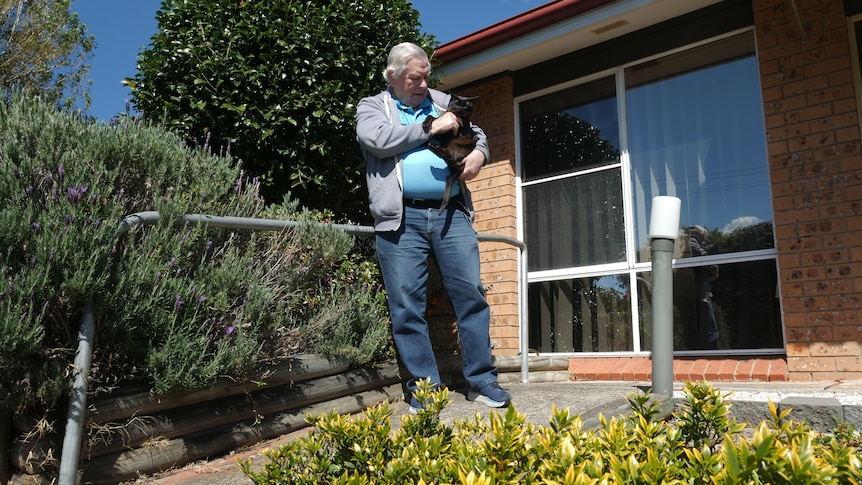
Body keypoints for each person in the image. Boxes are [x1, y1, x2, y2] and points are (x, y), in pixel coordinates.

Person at [356, 42, 511, 411]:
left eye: (426, 77)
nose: (423, 85)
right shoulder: (374, 107)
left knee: (471, 295)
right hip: (400, 219)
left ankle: (482, 380)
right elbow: (376, 141)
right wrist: (430, 128)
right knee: (407, 305)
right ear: (393, 76)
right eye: (414, 78)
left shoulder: (441, 100)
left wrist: (478, 154)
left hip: (451, 213)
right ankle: (424, 389)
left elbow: (481, 135)